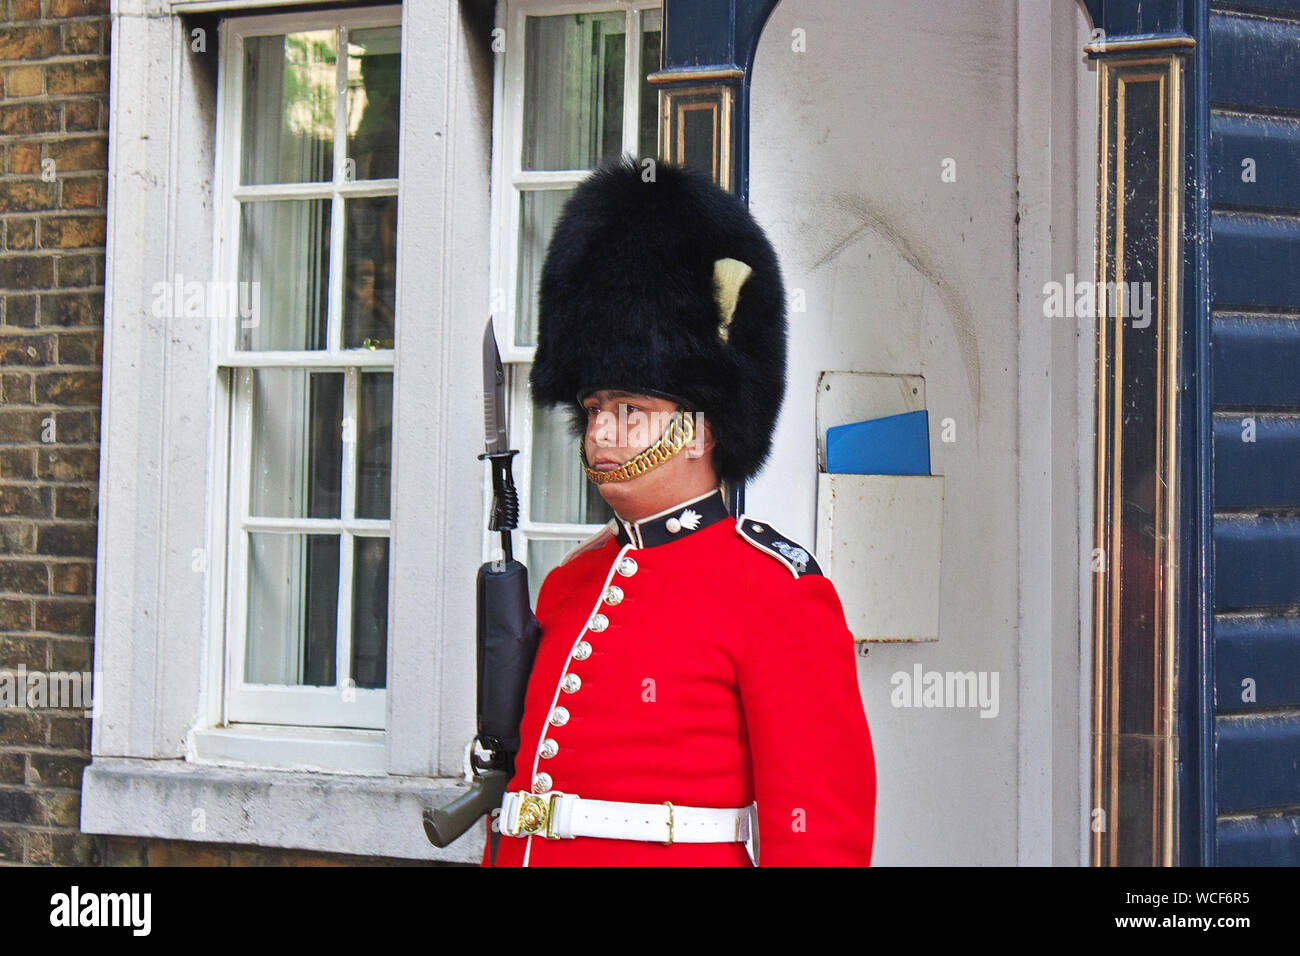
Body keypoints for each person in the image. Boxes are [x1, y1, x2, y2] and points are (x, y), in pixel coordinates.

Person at [483, 156, 875, 866]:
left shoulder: (776, 596)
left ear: (700, 426)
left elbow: (818, 836)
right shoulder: (570, 586)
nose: (602, 432)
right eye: (596, 407)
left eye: (631, 410)